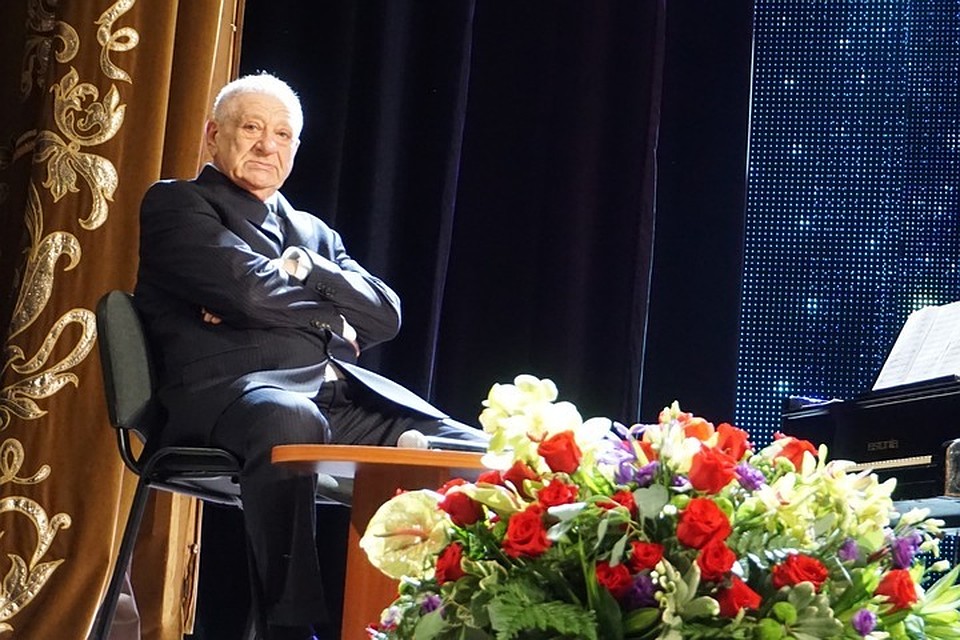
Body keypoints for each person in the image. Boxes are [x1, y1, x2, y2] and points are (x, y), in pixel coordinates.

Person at [134, 73, 485, 640]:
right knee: (289, 417)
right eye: (251, 128)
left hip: (337, 400)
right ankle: (288, 628)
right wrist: (333, 318)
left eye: (282, 135)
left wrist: (306, 270)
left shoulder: (313, 233)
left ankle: (458, 622)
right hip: (228, 396)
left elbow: (385, 316)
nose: (266, 146)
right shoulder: (178, 203)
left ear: (295, 148)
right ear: (214, 135)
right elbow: (247, 292)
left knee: (482, 451)